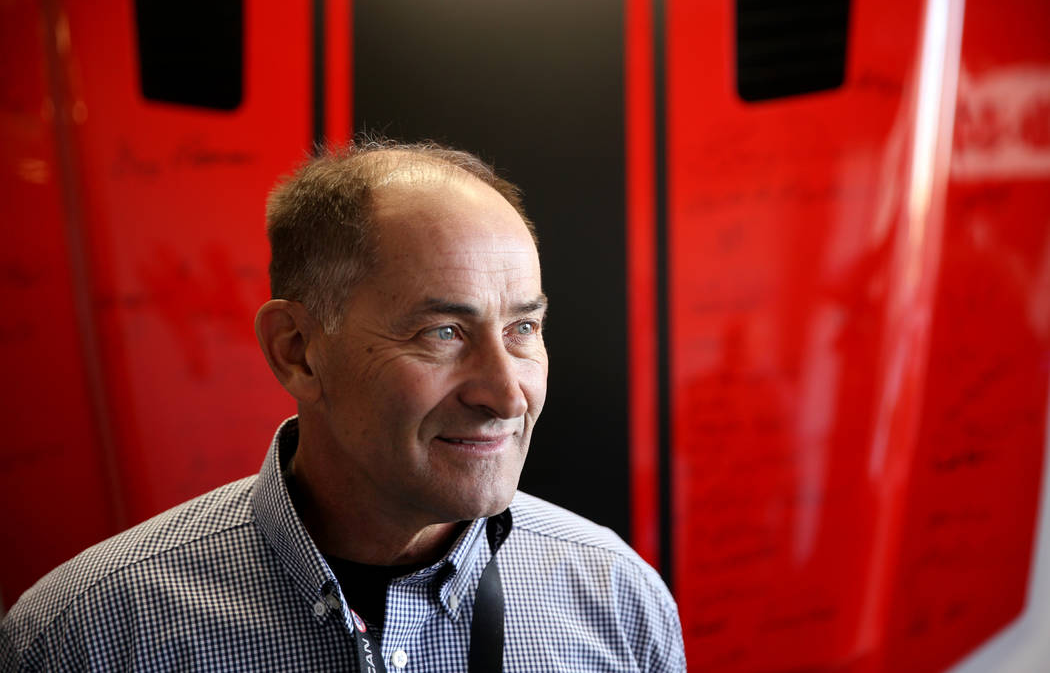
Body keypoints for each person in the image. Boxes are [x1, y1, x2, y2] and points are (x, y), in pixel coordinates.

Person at [0, 140, 686, 671]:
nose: (508, 395)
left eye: (523, 328)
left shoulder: (620, 600)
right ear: (297, 351)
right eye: (442, 333)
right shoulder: (84, 635)